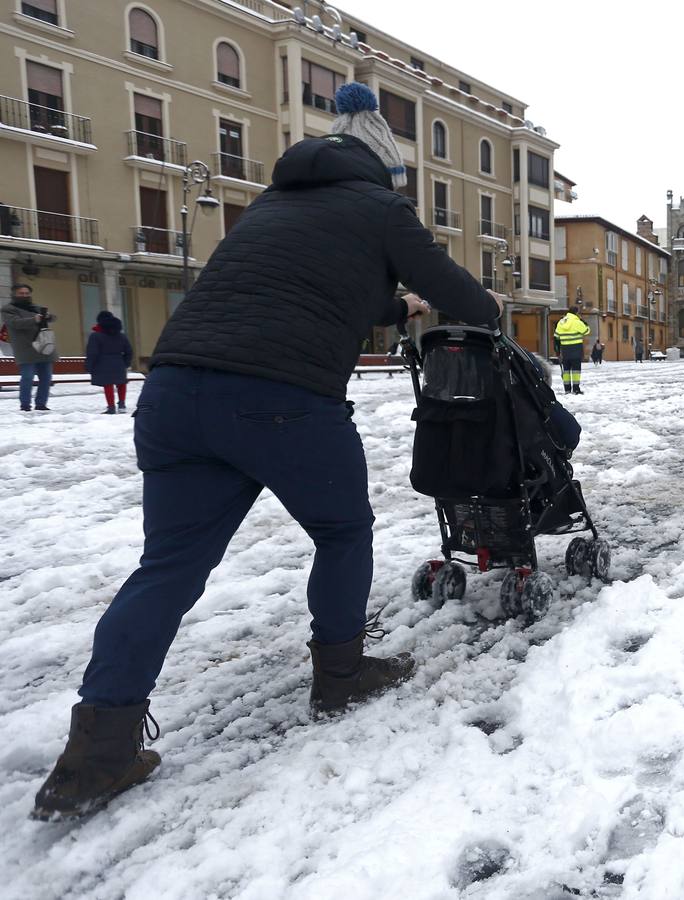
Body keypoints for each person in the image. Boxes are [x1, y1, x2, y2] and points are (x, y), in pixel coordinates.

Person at [32, 82, 503, 822]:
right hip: (280, 400)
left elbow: (309, 290)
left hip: (175, 392)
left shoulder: (271, 209)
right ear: (383, 169)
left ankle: (97, 751)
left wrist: (395, 307)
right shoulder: (381, 207)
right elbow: (455, 289)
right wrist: (483, 307)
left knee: (168, 567)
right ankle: (341, 674)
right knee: (343, 531)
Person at [2, 283, 56, 411]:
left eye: (27, 293)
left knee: (46, 377)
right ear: (14, 294)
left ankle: (41, 404)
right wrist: (34, 319)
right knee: (27, 377)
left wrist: (48, 316)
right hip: (25, 347)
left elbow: (54, 318)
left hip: (43, 345)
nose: (25, 295)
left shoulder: (36, 307)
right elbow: (15, 323)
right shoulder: (8, 309)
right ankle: (25, 404)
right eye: (21, 293)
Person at [86, 310, 134, 414]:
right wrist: (126, 363)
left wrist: (89, 365)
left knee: (108, 384)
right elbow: (129, 351)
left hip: (103, 363)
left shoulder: (95, 336)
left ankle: (111, 407)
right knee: (121, 383)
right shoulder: (121, 335)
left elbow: (92, 353)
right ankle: (122, 404)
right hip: (119, 362)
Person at [554, 304, 590, 394]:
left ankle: (567, 389)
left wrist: (557, 350)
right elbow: (587, 330)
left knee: (566, 370)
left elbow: (556, 337)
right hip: (576, 349)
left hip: (565, 350)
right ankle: (576, 389)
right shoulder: (577, 322)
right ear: (576, 313)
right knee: (576, 370)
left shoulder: (561, 322)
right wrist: (583, 321)